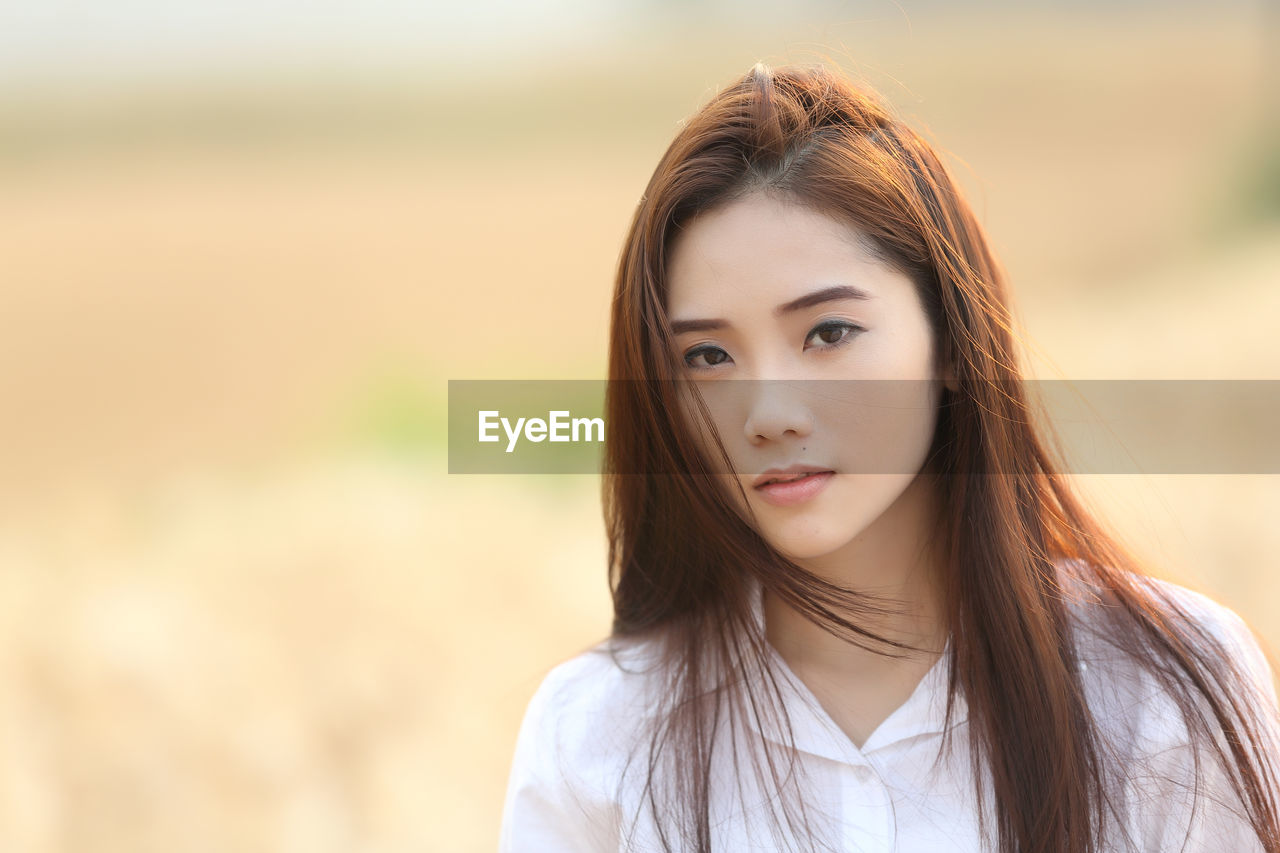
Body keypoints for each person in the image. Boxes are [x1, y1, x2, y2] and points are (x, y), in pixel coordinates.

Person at [498, 61, 1280, 852]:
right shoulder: (596, 735)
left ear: (949, 340)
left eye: (828, 333)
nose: (767, 415)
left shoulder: (1166, 692)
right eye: (706, 357)